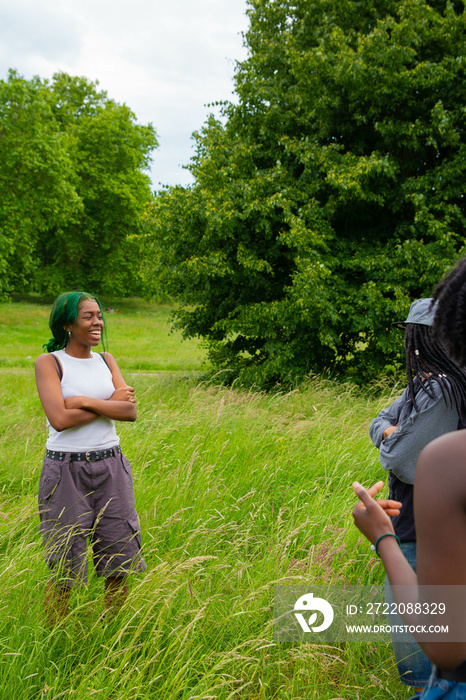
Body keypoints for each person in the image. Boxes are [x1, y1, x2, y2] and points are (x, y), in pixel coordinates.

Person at [353, 257, 466, 698]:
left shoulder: (441, 389)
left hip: (420, 529)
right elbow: (382, 421)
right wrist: (390, 431)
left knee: (424, 667)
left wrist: (383, 538)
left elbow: (401, 460)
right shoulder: (430, 384)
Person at [35, 291, 146, 626]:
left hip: (111, 466)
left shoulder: (106, 360)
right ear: (68, 323)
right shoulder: (50, 363)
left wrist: (83, 401)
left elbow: (129, 411)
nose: (97, 321)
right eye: (88, 316)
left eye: (99, 315)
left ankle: (111, 636)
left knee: (118, 561)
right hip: (65, 470)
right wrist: (107, 402)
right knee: (65, 567)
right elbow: (59, 419)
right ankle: (57, 640)